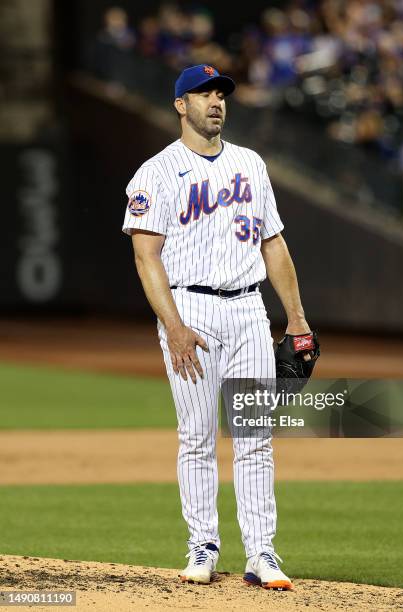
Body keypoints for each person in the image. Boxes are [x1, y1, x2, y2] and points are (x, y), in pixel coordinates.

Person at [122, 64, 313, 591]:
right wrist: (175, 326)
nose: (215, 101)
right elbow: (146, 257)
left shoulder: (251, 165)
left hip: (250, 312)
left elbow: (272, 244)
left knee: (255, 437)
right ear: (180, 105)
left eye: (221, 93)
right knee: (197, 437)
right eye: (203, 93)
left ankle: (262, 554)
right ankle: (203, 544)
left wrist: (295, 319)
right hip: (191, 312)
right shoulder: (156, 173)